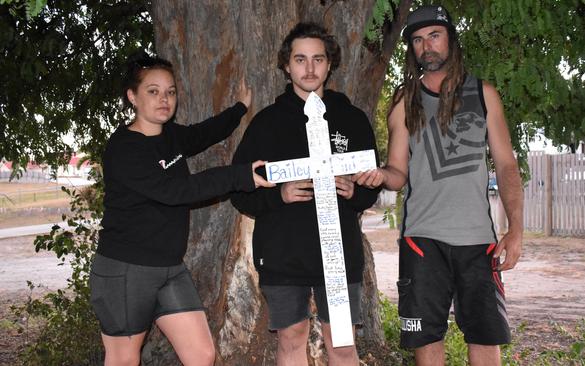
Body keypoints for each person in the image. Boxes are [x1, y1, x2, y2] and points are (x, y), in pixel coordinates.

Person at [354, 5, 524, 366]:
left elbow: (507, 166)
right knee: (427, 338)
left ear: (451, 40)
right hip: (422, 239)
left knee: (485, 335)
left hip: (478, 240)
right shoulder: (405, 101)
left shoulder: (483, 94)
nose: (426, 46)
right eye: (417, 40)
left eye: (434, 35)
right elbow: (398, 173)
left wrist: (516, 230)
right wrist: (382, 175)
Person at [91, 54, 273, 366]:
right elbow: (175, 192)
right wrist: (239, 175)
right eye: (153, 91)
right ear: (132, 97)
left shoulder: (170, 136)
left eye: (170, 92)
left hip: (170, 268)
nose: (164, 99)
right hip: (126, 269)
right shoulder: (124, 149)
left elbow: (203, 134)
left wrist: (239, 109)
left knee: (202, 355)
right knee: (123, 359)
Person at [231, 22, 379, 366]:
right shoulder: (266, 124)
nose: (309, 68)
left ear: (330, 64)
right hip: (283, 255)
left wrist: (355, 192)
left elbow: (371, 188)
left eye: (318, 59)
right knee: (292, 340)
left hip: (339, 256)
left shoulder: (352, 119)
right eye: (300, 59)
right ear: (287, 65)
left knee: (342, 346)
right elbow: (240, 191)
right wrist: (277, 196)